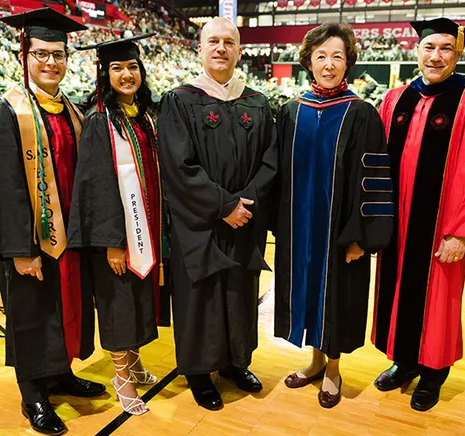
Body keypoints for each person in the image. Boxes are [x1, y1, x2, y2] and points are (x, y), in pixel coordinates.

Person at [0, 9, 103, 436]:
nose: (50, 63)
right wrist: (20, 250)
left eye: (58, 55)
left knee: (66, 309)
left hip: (68, 237)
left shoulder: (72, 113)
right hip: (29, 242)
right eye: (41, 54)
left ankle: (60, 372)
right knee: (31, 314)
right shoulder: (7, 113)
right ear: (24, 56)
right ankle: (33, 394)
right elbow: (1, 187)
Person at [372, 17, 465, 412]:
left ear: (459, 53)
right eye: (429, 47)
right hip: (397, 223)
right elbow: (376, 165)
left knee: (438, 299)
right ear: (416, 51)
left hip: (442, 229)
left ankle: (434, 371)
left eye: (445, 49)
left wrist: (461, 232)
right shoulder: (395, 99)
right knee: (397, 292)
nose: (436, 56)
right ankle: (405, 361)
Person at [157, 17, 277, 411]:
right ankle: (198, 371)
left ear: (239, 51)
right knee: (201, 297)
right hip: (201, 223)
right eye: (213, 42)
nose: (221, 48)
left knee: (239, 293)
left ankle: (234, 363)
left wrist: (245, 204)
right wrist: (224, 206)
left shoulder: (257, 102)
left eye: (229, 42)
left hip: (246, 219)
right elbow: (178, 167)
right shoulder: (179, 101)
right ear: (200, 49)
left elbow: (270, 161)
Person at [274, 23, 394, 409]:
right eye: (321, 55)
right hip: (300, 229)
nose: (329, 64)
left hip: (342, 233)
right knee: (307, 294)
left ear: (349, 63)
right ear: (308, 60)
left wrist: (361, 237)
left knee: (338, 297)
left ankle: (333, 369)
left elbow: (374, 181)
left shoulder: (362, 114)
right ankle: (313, 360)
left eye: (337, 56)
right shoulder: (292, 111)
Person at [68, 35, 167, 416]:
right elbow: (95, 186)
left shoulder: (142, 118)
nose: (127, 75)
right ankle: (121, 378)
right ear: (104, 74)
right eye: (117, 68)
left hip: (145, 232)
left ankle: (135, 362)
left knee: (140, 303)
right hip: (117, 238)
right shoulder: (99, 122)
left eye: (132, 67)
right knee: (118, 307)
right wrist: (112, 242)